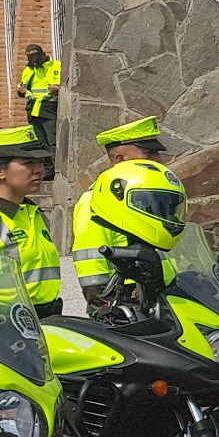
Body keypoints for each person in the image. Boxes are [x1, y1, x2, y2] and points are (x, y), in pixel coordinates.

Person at [72, 116, 167, 307]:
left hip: (161, 298)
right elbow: (91, 265)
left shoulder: (145, 196)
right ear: (120, 159)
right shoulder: (96, 200)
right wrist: (105, 308)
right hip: (125, 305)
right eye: (149, 153)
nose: (158, 159)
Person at [0, 126, 60, 317]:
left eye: (41, 162)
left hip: (44, 317)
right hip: (9, 321)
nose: (39, 170)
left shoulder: (33, 213)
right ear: (1, 172)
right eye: (28, 163)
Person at [16, 45, 59, 154]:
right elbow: (24, 88)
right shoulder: (28, 70)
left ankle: (56, 165)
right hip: (33, 111)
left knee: (53, 142)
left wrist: (58, 89)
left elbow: (70, 88)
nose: (35, 62)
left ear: (43, 54)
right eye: (32, 59)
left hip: (49, 110)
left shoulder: (56, 66)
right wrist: (21, 91)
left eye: (37, 58)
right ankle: (46, 165)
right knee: (40, 143)